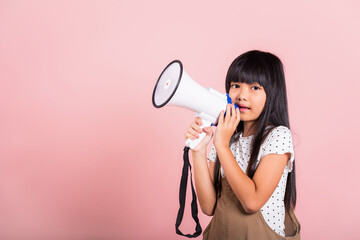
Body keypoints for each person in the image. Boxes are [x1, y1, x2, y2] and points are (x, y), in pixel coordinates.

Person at [184, 50, 301, 239]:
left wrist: (221, 145)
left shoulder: (277, 136)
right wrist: (199, 151)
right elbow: (209, 206)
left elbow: (252, 202)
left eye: (255, 88)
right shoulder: (227, 137)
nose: (242, 96)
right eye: (236, 85)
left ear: (272, 94)